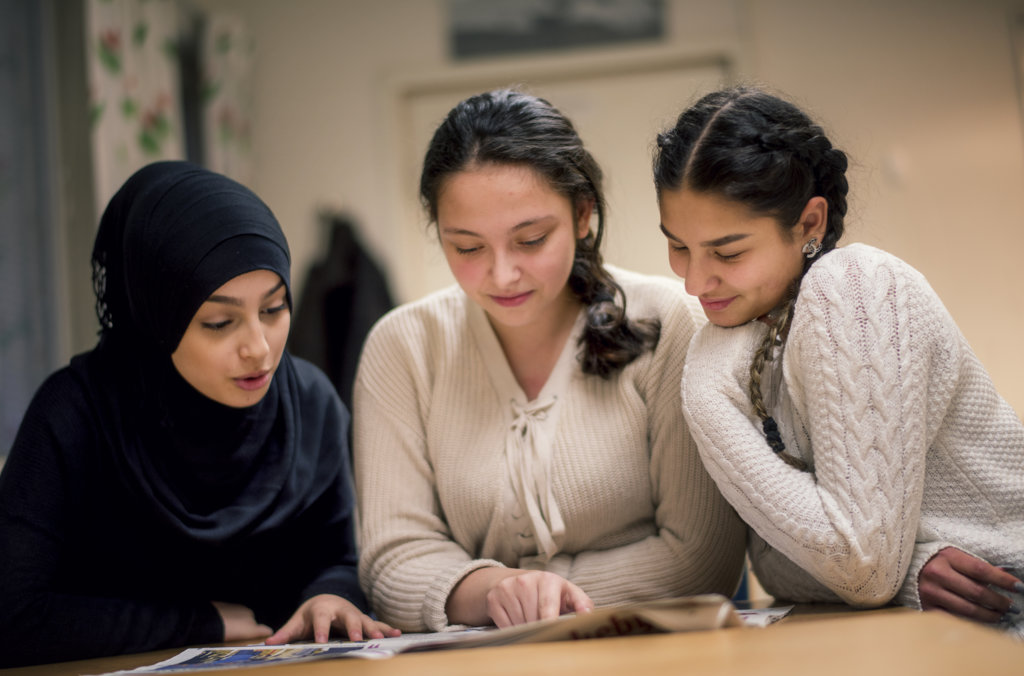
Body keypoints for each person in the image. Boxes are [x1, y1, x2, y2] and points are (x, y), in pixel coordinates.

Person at [354, 88, 746, 633]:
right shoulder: (403, 347)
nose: (502, 274)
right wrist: (494, 591)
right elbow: (393, 560)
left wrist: (547, 596)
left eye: (531, 239)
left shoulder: (670, 321)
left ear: (582, 214)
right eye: (467, 247)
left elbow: (700, 559)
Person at [652, 85, 1024, 635]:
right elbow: (777, 565)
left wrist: (706, 393)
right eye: (678, 246)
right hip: (944, 627)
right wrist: (906, 569)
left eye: (728, 252)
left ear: (809, 224)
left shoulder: (853, 287)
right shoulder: (759, 335)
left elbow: (862, 569)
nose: (694, 280)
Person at [0, 161, 397, 668]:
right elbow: (12, 616)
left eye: (274, 309)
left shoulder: (310, 403)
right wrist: (201, 622)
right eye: (219, 321)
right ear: (154, 318)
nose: (259, 348)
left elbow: (338, 556)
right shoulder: (74, 416)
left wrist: (330, 597)